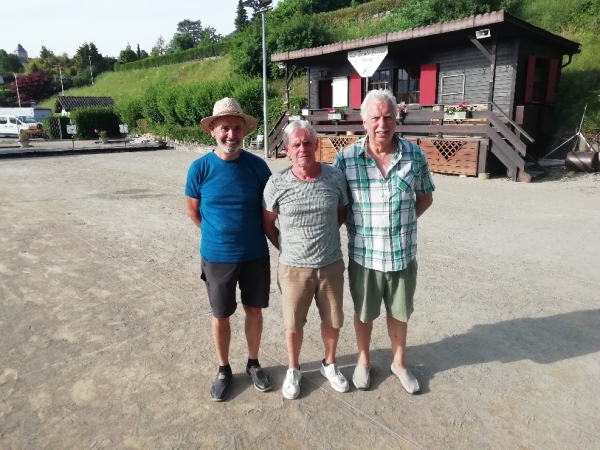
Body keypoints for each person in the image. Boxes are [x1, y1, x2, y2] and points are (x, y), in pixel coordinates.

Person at [333, 89, 435, 394]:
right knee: (364, 312)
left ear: (397, 119)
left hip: (402, 254)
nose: (382, 123)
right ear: (363, 120)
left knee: (399, 312)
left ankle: (399, 362)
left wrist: (401, 224)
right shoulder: (346, 159)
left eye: (388, 116)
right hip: (364, 256)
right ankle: (363, 360)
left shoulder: (414, 155)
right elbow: (338, 206)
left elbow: (425, 198)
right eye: (375, 117)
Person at [185, 97, 273, 402]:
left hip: (255, 255)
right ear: (213, 130)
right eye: (225, 128)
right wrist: (217, 236)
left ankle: (253, 363)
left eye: (237, 128)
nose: (231, 134)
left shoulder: (258, 167)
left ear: (243, 132)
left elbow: (268, 212)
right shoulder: (200, 168)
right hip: (217, 256)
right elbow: (194, 211)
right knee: (220, 314)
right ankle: (223, 369)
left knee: (254, 310)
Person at [263, 120, 350, 400]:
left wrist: (324, 238)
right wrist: (286, 247)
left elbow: (341, 213)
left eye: (307, 143)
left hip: (330, 264)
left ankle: (330, 364)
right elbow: (268, 223)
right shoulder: (276, 183)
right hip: (293, 269)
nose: (303, 148)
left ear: (316, 145)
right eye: (296, 144)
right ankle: (293, 368)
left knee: (332, 320)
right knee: (293, 324)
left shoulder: (335, 177)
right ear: (287, 150)